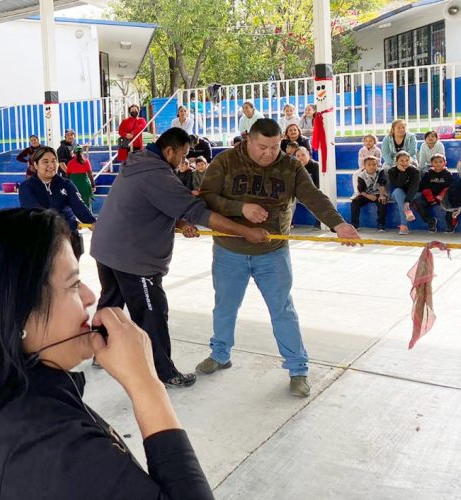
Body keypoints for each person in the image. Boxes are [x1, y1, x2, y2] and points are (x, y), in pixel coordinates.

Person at [0, 208, 215, 500]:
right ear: (19, 312)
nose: (90, 297)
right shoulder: (49, 445)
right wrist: (146, 385)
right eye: (73, 285)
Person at [91, 127, 270, 388]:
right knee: (152, 314)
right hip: (133, 258)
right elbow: (199, 213)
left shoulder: (139, 162)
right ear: (168, 151)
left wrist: (180, 220)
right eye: (183, 155)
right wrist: (246, 232)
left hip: (107, 249)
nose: (184, 161)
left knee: (111, 304)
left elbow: (151, 204)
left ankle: (99, 349)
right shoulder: (158, 174)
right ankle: (164, 373)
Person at [198, 118, 361, 397]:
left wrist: (338, 224)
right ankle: (220, 354)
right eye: (263, 147)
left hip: (272, 253)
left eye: (275, 147)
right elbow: (206, 197)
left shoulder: (290, 167)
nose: (269, 153)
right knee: (225, 306)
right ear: (248, 140)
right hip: (229, 250)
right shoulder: (225, 161)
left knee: (283, 310)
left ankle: (298, 369)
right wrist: (241, 208)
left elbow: (313, 197)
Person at [18, 147, 96, 259]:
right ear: (35, 165)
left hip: (68, 238)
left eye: (54, 161)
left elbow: (78, 205)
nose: (51, 165)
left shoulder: (66, 184)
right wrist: (63, 224)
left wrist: (91, 221)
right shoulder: (26, 187)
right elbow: (37, 212)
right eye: (45, 162)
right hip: (42, 239)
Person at [413, 153, 455, 233]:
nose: (438, 164)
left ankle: (450, 225)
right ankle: (430, 221)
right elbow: (423, 186)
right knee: (418, 202)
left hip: (443, 197)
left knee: (451, 204)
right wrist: (430, 197)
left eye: (440, 162)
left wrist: (442, 195)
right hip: (429, 196)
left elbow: (451, 187)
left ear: (445, 163)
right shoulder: (428, 174)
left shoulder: (448, 174)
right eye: (435, 162)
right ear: (431, 163)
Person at [387, 151, 421, 235]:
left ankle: (404, 226)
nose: (405, 163)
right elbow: (398, 185)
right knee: (398, 192)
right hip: (397, 194)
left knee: (402, 200)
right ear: (396, 161)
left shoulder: (415, 171)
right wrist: (402, 172)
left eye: (407, 160)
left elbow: (414, 187)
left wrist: (407, 201)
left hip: (413, 194)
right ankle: (407, 213)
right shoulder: (392, 171)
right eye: (401, 160)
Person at [350, 156, 388, 230]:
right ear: (365, 166)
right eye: (369, 165)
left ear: (377, 165)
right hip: (366, 194)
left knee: (382, 201)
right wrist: (369, 196)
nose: (372, 167)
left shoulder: (380, 172)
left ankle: (381, 224)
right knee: (355, 202)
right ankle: (355, 225)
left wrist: (381, 195)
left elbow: (382, 185)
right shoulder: (361, 175)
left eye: (374, 164)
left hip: (378, 193)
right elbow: (361, 190)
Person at [295, 146, 322, 230]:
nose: (300, 158)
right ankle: (286, 223)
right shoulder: (295, 167)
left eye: (303, 155)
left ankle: (319, 222)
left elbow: (317, 184)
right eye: (298, 156)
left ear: (309, 155)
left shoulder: (316, 166)